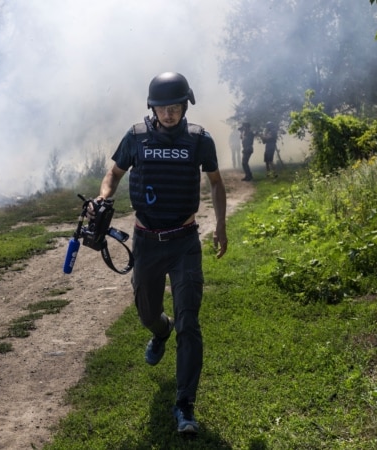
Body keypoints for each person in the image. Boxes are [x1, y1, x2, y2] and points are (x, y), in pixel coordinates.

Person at [92, 71, 227, 435]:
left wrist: (221, 226)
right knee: (148, 313)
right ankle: (160, 331)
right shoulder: (136, 136)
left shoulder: (200, 140)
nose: (169, 113)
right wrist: (103, 198)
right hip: (147, 242)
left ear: (185, 106)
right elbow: (113, 174)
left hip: (185, 241)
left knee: (190, 322)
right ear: (152, 108)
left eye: (175, 107)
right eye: (162, 107)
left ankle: (185, 406)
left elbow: (216, 184)